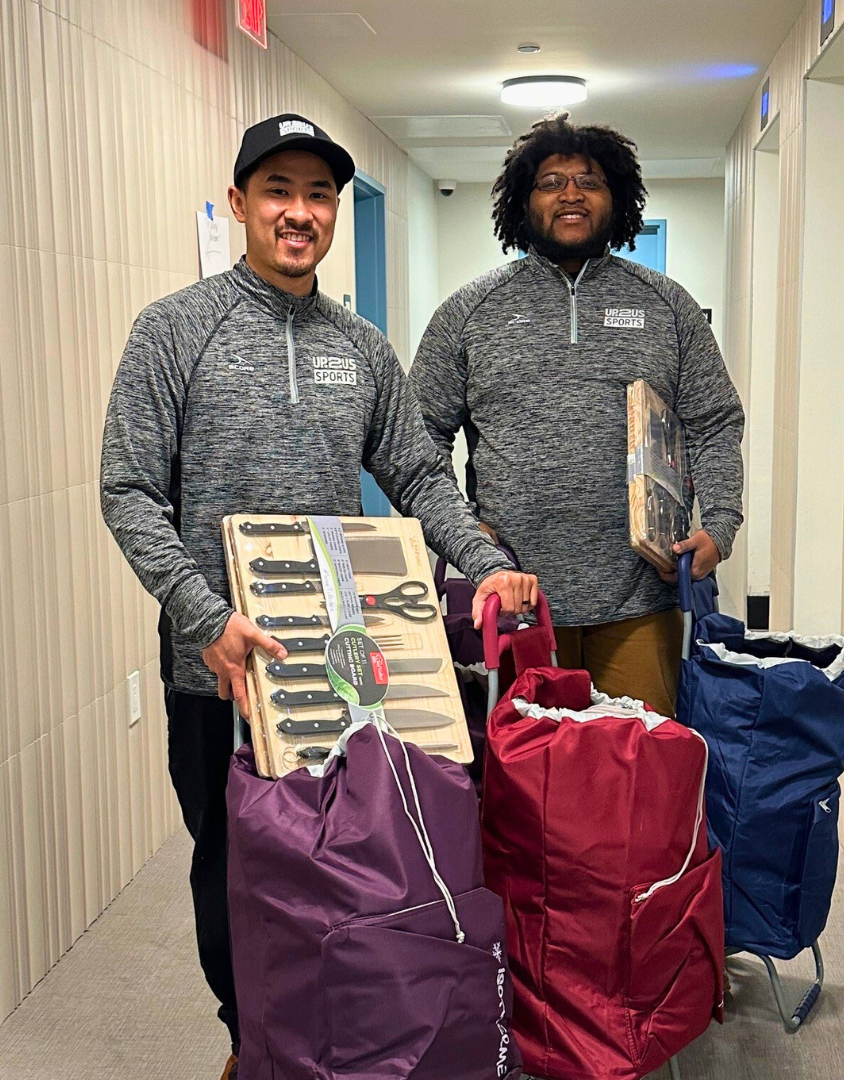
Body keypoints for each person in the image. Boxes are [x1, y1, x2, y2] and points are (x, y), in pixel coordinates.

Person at [99, 113, 537, 1080]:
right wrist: (202, 618)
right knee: (232, 864)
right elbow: (126, 488)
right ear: (240, 204)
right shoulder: (175, 331)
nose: (299, 214)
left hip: (342, 663)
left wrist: (479, 560)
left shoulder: (362, 348)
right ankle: (247, 1041)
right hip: (223, 666)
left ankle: (330, 1033)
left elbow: (419, 474)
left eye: (318, 195)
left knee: (341, 856)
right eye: (278, 192)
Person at [410, 113, 743, 717]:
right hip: (515, 600)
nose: (570, 193)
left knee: (640, 776)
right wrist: (466, 539)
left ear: (617, 199)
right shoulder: (469, 312)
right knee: (527, 785)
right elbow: (417, 445)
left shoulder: (668, 308)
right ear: (522, 202)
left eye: (589, 180)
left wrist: (719, 524)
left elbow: (714, 421)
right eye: (550, 181)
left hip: (643, 598)